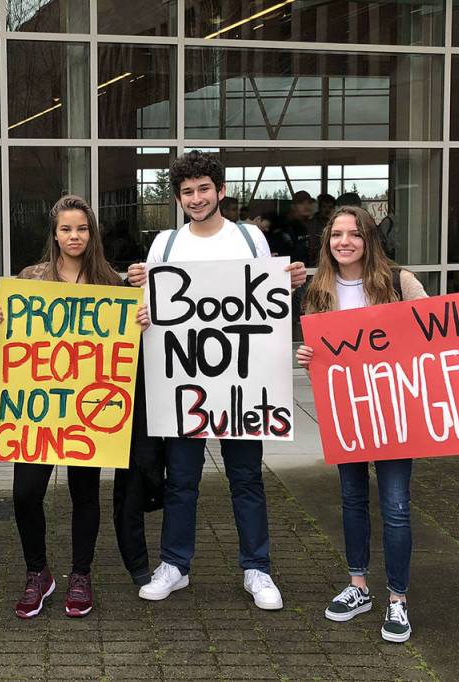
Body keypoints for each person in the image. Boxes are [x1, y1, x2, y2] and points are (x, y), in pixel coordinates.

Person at [295, 206, 459, 643]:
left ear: (369, 239)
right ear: (327, 241)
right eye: (337, 234)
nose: (345, 242)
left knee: (396, 506)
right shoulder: (317, 291)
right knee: (351, 500)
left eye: (354, 234)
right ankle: (358, 585)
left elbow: (446, 329)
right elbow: (320, 357)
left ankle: (397, 598)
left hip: (398, 414)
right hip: (351, 414)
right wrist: (306, 356)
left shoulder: (399, 282)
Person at [125, 151, 307, 609]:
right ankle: (175, 564)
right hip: (183, 382)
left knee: (246, 478)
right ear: (177, 198)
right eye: (187, 191)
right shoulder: (165, 246)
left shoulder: (248, 238)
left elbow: (269, 301)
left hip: (243, 383)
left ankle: (257, 568)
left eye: (204, 188)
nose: (196, 198)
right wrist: (139, 307)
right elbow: (150, 312)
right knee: (180, 480)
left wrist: (289, 282)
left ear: (221, 191)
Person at [6, 194, 137, 619]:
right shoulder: (31, 278)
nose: (74, 236)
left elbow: (124, 344)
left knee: (85, 494)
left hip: (87, 410)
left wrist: (140, 322)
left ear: (92, 233)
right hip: (38, 409)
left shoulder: (111, 283)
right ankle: (37, 572)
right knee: (25, 493)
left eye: (81, 228)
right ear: (55, 233)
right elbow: (13, 336)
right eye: (66, 229)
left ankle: (81, 574)